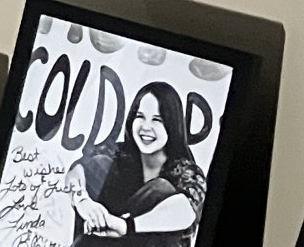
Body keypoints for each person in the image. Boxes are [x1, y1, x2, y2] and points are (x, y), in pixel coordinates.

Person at [65, 82, 205, 245]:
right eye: (140, 116)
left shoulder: (187, 171)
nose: (146, 127)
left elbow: (186, 211)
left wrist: (125, 226)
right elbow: (78, 170)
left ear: (172, 125)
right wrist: (82, 201)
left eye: (157, 120)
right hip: (108, 240)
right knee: (99, 163)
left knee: (161, 189)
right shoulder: (120, 153)